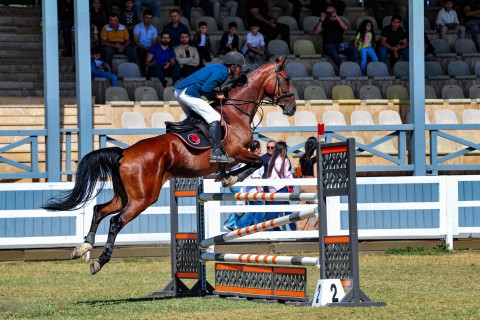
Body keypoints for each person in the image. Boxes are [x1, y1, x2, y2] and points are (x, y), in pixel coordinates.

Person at [173, 51, 246, 163]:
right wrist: (216, 94)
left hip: (180, 91)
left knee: (194, 118)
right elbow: (205, 89)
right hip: (188, 93)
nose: (240, 70)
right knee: (214, 117)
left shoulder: (220, 68)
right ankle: (216, 153)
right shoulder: (223, 73)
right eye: (239, 68)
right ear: (233, 66)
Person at [223, 140, 265, 230]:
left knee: (248, 209)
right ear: (257, 149)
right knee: (256, 211)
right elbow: (256, 175)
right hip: (251, 188)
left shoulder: (247, 159)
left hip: (246, 187)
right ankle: (236, 225)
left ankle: (236, 225)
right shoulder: (256, 160)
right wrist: (259, 189)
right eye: (260, 147)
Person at [267, 141, 296, 231]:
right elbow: (287, 175)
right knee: (275, 212)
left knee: (287, 212)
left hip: (273, 188)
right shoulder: (284, 160)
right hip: (281, 188)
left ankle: (294, 230)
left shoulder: (272, 159)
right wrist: (292, 184)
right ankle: (267, 231)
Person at [296, 137, 318, 230]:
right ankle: (313, 229)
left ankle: (300, 230)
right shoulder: (315, 159)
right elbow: (316, 175)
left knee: (303, 211)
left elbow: (298, 173)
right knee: (319, 209)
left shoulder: (301, 158)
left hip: (303, 184)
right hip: (312, 184)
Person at [133, 9, 158, 76]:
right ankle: (143, 72)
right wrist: (145, 48)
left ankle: (152, 73)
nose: (149, 20)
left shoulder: (154, 29)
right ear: (143, 17)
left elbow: (154, 42)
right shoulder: (137, 27)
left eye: (150, 18)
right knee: (141, 54)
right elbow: (136, 41)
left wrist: (151, 49)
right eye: (147, 18)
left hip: (150, 47)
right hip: (140, 46)